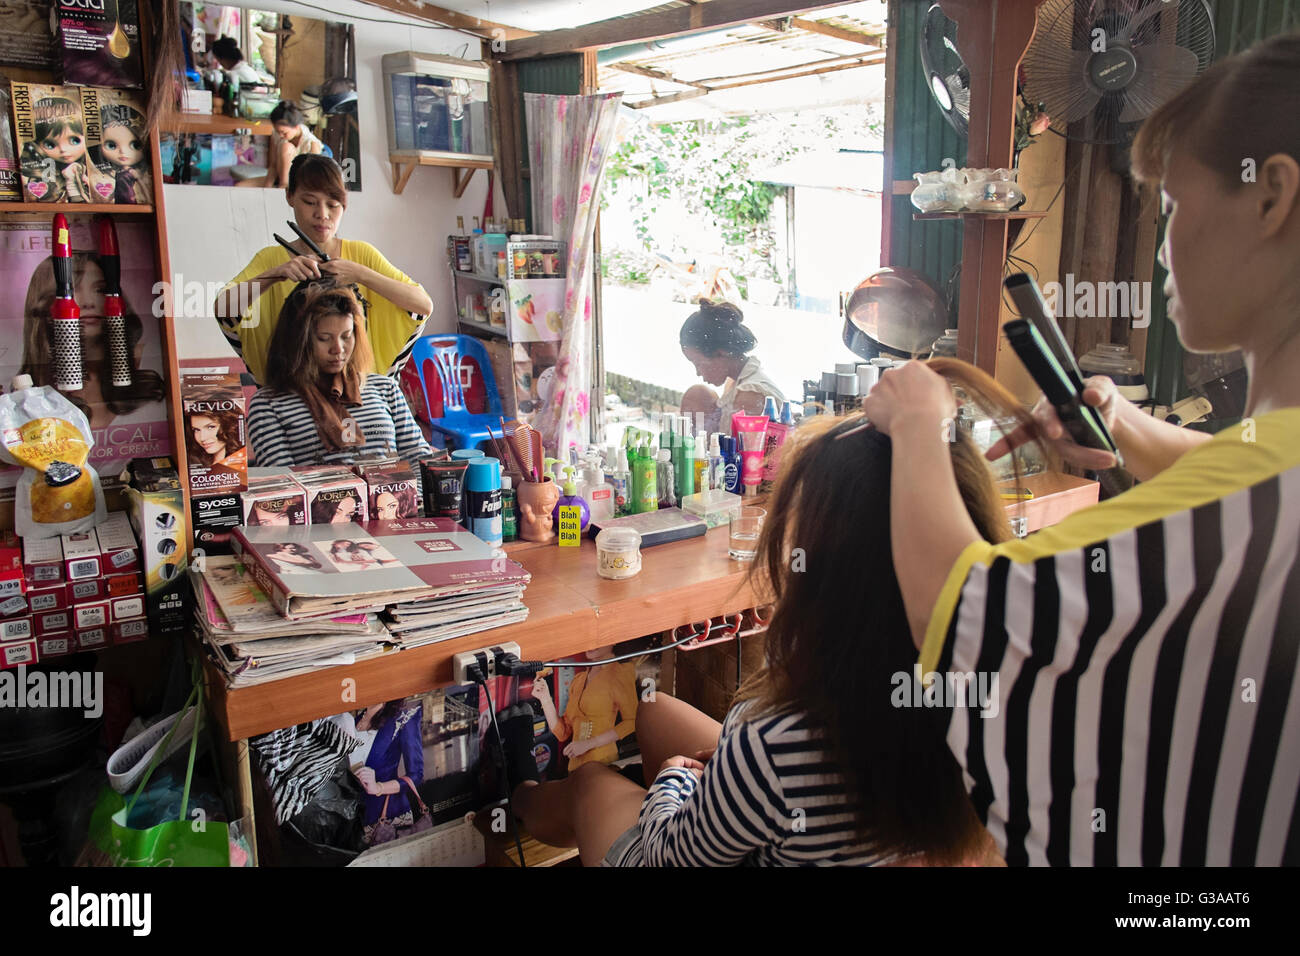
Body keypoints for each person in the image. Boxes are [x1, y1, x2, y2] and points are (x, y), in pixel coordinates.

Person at [862, 32, 1300, 866]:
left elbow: (961, 615)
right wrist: (1125, 426)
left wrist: (919, 422)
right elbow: (1243, 473)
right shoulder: (1264, 476)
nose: (1162, 249)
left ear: (1271, 197)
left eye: (1174, 207)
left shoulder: (1255, 503)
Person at [510, 364, 1022, 865]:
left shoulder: (779, 741)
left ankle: (519, 796)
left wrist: (674, 782)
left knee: (592, 784)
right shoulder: (1004, 689)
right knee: (655, 710)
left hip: (680, 847)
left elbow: (667, 853)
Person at [214, 154, 432, 384]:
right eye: (310, 202)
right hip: (291, 394)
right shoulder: (271, 259)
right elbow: (223, 309)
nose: (322, 214)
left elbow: (422, 305)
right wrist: (275, 274)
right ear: (289, 196)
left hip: (356, 393)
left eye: (333, 204)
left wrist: (360, 274)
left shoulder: (361, 255)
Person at [246, 283, 431, 473]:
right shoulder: (268, 403)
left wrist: (414, 492)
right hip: (319, 493)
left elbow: (418, 457)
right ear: (298, 341)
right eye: (324, 338)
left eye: (346, 336)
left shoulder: (385, 388)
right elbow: (281, 481)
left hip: (394, 492)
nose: (338, 349)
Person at [22, 252, 166, 434]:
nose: (88, 303)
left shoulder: (149, 381)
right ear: (44, 303)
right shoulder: (26, 396)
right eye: (72, 290)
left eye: (99, 290)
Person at [679, 298, 784, 435]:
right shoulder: (735, 382)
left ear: (721, 353)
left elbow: (745, 449)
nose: (698, 372)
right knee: (697, 394)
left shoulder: (750, 394)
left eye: (698, 363)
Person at [263, 101, 324, 191]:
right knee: (242, 187)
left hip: (299, 184)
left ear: (296, 127)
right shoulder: (276, 135)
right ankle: (282, 185)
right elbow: (273, 166)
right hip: (277, 178)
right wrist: (266, 189)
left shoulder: (312, 144)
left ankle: (284, 185)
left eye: (284, 132)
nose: (280, 135)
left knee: (286, 147)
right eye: (277, 131)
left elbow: (312, 177)